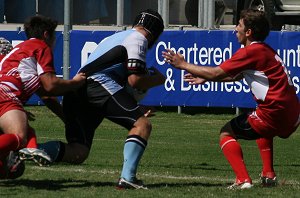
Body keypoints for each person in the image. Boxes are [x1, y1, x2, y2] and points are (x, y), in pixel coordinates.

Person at [163, 9, 299, 189]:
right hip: (293, 115)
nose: (235, 29)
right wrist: (206, 78)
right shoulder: (264, 50)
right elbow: (237, 75)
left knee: (226, 132)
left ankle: (243, 180)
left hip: (274, 113)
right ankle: (268, 175)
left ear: (248, 32)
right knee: (262, 127)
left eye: (239, 25)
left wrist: (183, 64)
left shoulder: (249, 52)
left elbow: (216, 72)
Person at [36, 9, 165, 189]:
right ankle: (128, 178)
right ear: (155, 33)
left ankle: (31, 150)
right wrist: (160, 80)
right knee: (142, 125)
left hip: (77, 90)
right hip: (98, 85)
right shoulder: (139, 39)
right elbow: (134, 80)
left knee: (78, 152)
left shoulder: (113, 38)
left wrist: (133, 105)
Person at [0, 15, 86, 179]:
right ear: (47, 34)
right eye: (54, 36)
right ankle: (30, 148)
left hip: (5, 96)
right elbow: (51, 85)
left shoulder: (21, 52)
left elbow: (46, 95)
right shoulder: (40, 46)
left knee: (8, 169)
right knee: (20, 137)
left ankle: (31, 150)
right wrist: (75, 82)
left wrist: (67, 119)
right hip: (5, 95)